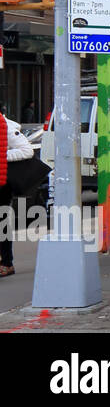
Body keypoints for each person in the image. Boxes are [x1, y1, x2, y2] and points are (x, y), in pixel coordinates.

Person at [0, 103, 35, 277]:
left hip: (2, 184)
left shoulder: (7, 127)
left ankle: (7, 263)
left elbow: (27, 151)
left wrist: (2, 156)